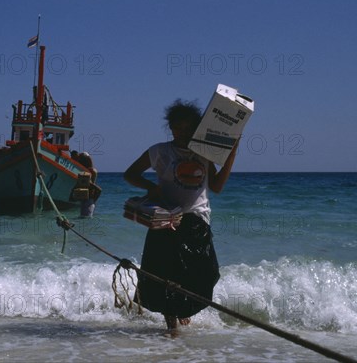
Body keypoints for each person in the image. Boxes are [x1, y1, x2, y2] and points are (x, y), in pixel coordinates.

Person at [123, 99, 238, 330]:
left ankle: (184, 310)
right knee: (163, 274)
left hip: (196, 218)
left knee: (205, 273)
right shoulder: (159, 151)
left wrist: (231, 153)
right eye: (178, 128)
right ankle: (172, 326)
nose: (183, 133)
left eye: (189, 128)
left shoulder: (203, 152)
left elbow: (216, 187)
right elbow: (130, 174)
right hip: (166, 218)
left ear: (197, 129)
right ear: (171, 127)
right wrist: (151, 188)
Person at [78, 152, 98, 217]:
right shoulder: (90, 170)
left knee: (85, 217)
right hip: (86, 197)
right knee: (84, 217)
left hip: (89, 197)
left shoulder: (91, 170)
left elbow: (91, 184)